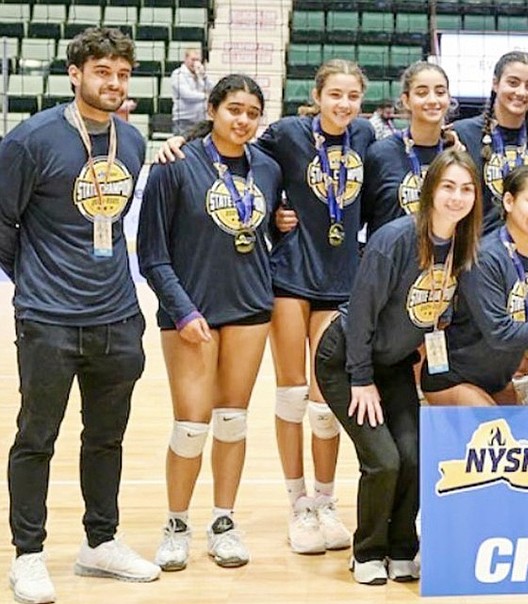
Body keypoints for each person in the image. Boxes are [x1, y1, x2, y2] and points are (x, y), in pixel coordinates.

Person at [153, 60, 376, 556]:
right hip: (289, 277)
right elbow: (228, 151)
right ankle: (295, 505)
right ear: (315, 96)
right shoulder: (285, 136)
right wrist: (180, 142)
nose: (343, 105)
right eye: (333, 94)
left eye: (352, 97)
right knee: (290, 396)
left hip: (340, 282)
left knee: (324, 407)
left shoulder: (367, 138)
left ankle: (325, 502)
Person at [0, 27, 160, 604]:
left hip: (118, 314)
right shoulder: (32, 139)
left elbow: (114, 225)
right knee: (36, 436)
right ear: (76, 74)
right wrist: (36, 283)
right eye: (102, 72)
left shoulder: (133, 141)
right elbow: (2, 224)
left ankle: (100, 542)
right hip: (48, 318)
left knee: (106, 437)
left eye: (122, 73)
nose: (113, 83)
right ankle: (29, 554)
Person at [314, 148, 482, 585]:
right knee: (384, 461)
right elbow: (364, 313)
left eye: (466, 189)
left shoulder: (463, 246)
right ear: (429, 192)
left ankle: (403, 546)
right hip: (347, 361)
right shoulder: (395, 239)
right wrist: (361, 378)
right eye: (448, 187)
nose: (457, 197)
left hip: (394, 364)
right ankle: (367, 550)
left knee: (415, 456)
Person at [139, 74, 281, 571]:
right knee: (191, 425)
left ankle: (223, 522)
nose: (243, 120)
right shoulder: (175, 165)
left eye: (252, 112)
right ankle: (175, 523)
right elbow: (152, 255)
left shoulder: (268, 168)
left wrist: (283, 227)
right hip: (191, 311)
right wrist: (183, 310)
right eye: (234, 109)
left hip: (249, 307)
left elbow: (274, 234)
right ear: (214, 110)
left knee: (232, 420)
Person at [422, 166, 528, 405]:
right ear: (509, 201)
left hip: (497, 380)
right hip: (454, 377)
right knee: (498, 437)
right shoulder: (485, 258)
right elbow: (500, 333)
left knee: (518, 439)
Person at [451, 51, 528, 234]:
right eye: (513, 83)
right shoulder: (464, 133)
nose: (521, 92)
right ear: (495, 83)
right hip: (479, 250)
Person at [363, 61, 455, 225]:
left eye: (440, 92)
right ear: (406, 100)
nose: (433, 100)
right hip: (391, 250)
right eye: (422, 93)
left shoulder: (457, 153)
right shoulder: (380, 154)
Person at [171, 47, 212, 135]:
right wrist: (206, 96)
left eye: (198, 60)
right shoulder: (178, 74)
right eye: (193, 59)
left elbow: (212, 89)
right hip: (184, 121)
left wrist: (204, 76)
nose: (195, 63)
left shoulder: (200, 75)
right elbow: (186, 95)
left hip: (200, 121)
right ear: (185, 59)